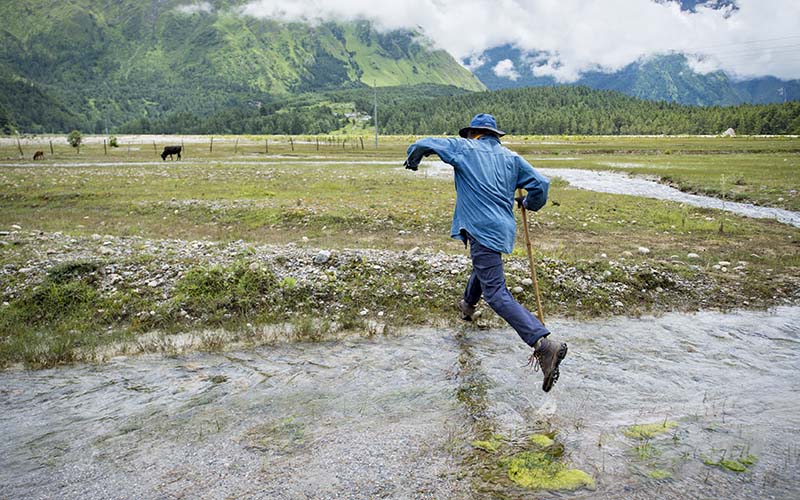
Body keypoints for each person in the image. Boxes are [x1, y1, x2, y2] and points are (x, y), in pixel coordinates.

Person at [404, 113, 568, 392]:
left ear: (473, 133)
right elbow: (542, 184)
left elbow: (424, 142)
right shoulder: (512, 159)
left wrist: (413, 161)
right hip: (502, 229)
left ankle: (542, 343)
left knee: (495, 292)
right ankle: (467, 306)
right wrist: (529, 203)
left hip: (481, 228)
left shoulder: (463, 148)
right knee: (483, 267)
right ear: (494, 135)